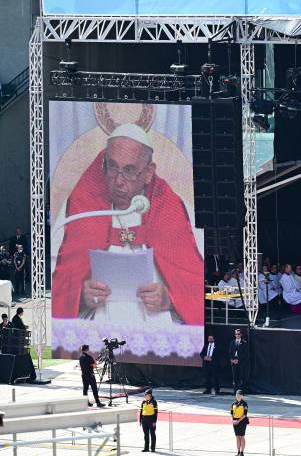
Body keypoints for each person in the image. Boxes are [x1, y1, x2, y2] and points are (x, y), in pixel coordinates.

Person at [51, 122, 203, 326]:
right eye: (112, 167)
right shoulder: (80, 208)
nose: (119, 181)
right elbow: (57, 275)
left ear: (148, 172)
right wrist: (80, 295)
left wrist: (169, 300)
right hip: (97, 324)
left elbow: (196, 282)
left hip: (157, 326)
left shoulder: (175, 211)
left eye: (130, 170)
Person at [231, 390, 249, 456]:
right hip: (235, 421)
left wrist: (238, 421)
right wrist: (233, 420)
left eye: (239, 395)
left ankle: (242, 452)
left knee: (242, 436)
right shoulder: (233, 403)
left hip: (242, 421)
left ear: (242, 396)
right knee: (237, 436)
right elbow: (231, 413)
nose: (237, 396)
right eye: (237, 395)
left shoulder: (244, 404)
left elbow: (245, 414)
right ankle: (238, 451)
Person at [139, 388, 158, 452]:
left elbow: (156, 412)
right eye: (145, 395)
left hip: (151, 420)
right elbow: (141, 411)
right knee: (146, 434)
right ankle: (146, 448)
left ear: (150, 395)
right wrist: (140, 420)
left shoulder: (154, 402)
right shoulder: (143, 402)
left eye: (146, 395)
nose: (145, 396)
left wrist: (154, 421)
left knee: (152, 434)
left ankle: (153, 448)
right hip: (144, 420)